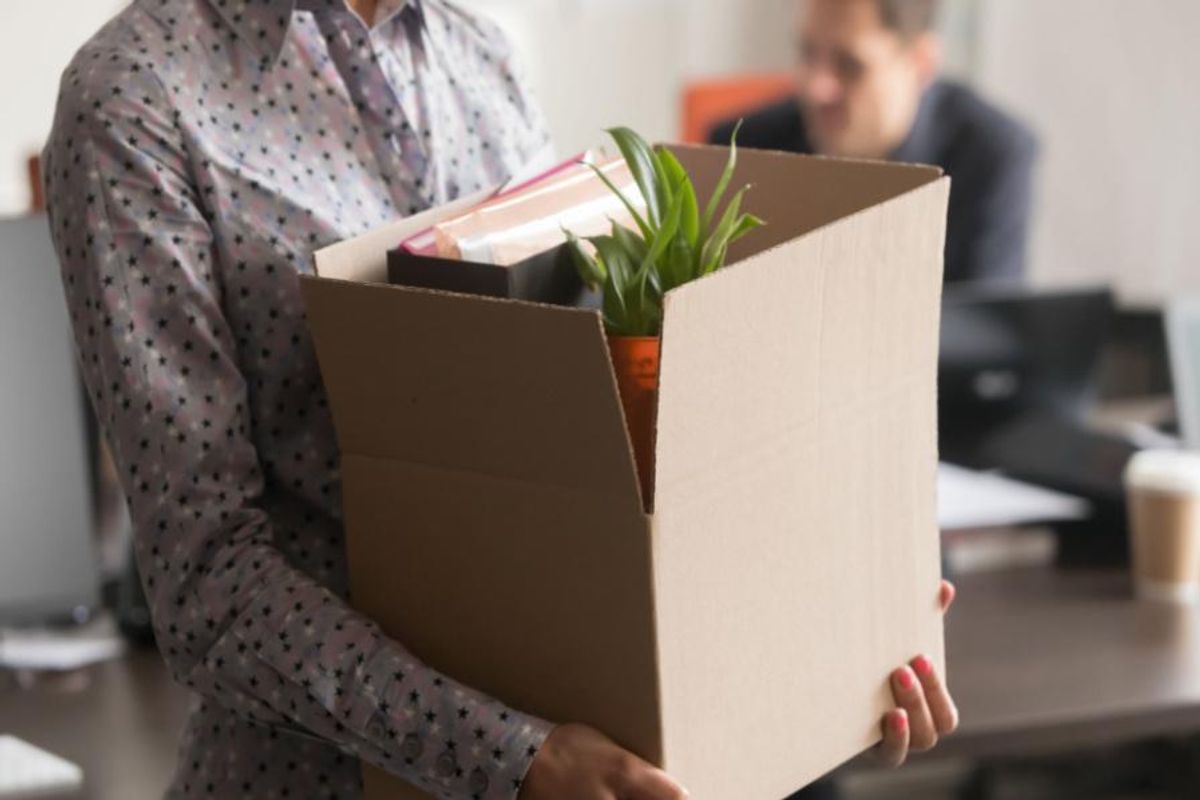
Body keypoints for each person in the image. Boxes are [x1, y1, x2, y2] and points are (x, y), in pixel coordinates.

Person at [42, 0, 958, 797]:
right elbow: (209, 588)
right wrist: (517, 761)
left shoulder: (484, 57)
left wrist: (827, 654)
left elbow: (581, 468)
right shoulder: (137, 98)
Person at [711, 0, 1038, 286]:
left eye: (850, 65)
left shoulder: (992, 156)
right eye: (808, 52)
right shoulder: (743, 149)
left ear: (922, 63)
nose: (816, 88)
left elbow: (987, 341)